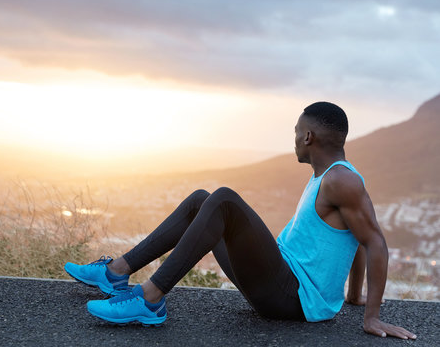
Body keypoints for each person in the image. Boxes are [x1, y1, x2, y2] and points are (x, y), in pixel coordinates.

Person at [64, 102, 416, 340]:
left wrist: (370, 316)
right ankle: (115, 273)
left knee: (225, 200)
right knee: (204, 199)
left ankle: (149, 299)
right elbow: (355, 237)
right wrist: (353, 296)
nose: (293, 138)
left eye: (296, 131)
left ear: (308, 136)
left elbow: (375, 242)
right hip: (280, 282)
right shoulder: (327, 177)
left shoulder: (343, 180)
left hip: (292, 298)